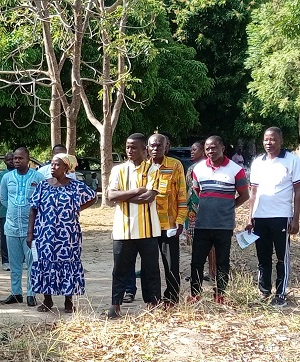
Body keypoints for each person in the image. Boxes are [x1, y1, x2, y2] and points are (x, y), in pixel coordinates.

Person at [27, 153, 97, 313]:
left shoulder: (76, 186)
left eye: (57, 165)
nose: (53, 167)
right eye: (52, 164)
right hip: (45, 234)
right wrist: (30, 233)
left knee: (68, 264)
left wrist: (77, 208)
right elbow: (33, 209)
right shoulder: (43, 185)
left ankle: (68, 300)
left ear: (66, 167)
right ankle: (47, 299)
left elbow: (92, 197)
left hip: (69, 235)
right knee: (45, 264)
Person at [246, 127, 300, 305]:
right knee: (263, 257)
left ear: (281, 141)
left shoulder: (292, 160)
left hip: (281, 216)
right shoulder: (258, 162)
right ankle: (264, 292)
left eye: (272, 139)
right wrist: (250, 217)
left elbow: (298, 191)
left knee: (281, 257)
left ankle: (280, 293)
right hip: (260, 217)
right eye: (265, 139)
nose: (268, 143)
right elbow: (253, 192)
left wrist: (295, 218)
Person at [188, 136, 250, 303]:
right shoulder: (198, 169)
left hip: (224, 225)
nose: (211, 151)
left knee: (222, 262)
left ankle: (220, 294)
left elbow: (244, 195)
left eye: (214, 148)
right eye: (207, 148)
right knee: (196, 261)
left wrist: (228, 206)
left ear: (223, 148)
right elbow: (197, 191)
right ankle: (195, 294)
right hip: (202, 224)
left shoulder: (236, 170)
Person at [107, 133, 161, 318]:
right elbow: (111, 196)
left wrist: (124, 196)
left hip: (148, 230)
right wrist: (137, 190)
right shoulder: (118, 170)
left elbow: (149, 197)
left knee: (151, 270)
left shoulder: (154, 169)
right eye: (128, 147)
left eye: (134, 147)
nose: (130, 151)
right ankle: (115, 306)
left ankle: (153, 304)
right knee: (120, 270)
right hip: (123, 230)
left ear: (144, 149)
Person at [0, 147, 44, 306]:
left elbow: (42, 201)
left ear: (28, 160)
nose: (17, 161)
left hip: (31, 229)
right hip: (11, 228)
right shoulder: (7, 178)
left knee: (32, 262)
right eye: (15, 158)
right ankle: (16, 293)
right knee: (14, 264)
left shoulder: (38, 177)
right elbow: (4, 199)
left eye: (20, 158)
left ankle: (31, 294)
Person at [146, 134, 188, 303]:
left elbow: (182, 196)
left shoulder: (175, 165)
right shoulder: (142, 166)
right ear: (147, 148)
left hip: (169, 224)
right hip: (147, 224)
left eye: (159, 146)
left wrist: (180, 221)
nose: (155, 149)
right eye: (152, 146)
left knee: (171, 264)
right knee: (150, 265)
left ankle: (171, 297)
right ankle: (153, 298)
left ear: (166, 147)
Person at [184, 140, 216, 282]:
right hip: (191, 208)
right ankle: (198, 271)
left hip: (204, 208)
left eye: (195, 149)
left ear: (203, 151)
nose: (192, 152)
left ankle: (212, 272)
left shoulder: (207, 169)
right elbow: (187, 189)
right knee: (195, 242)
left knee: (209, 243)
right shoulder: (191, 168)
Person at [0, 150, 15, 271]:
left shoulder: (22, 173)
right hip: (5, 211)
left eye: (13, 159)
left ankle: (21, 260)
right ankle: (6, 261)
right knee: (5, 237)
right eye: (8, 160)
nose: (11, 162)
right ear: (5, 162)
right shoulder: (2, 176)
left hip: (19, 211)